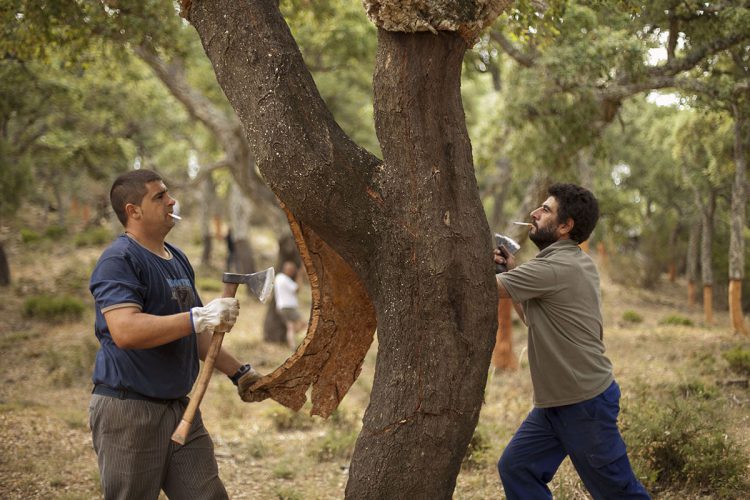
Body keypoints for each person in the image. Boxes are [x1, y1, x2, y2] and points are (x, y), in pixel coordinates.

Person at [88, 169, 260, 499]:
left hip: (181, 409)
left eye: (168, 194)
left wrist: (240, 373)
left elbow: (193, 334)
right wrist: (199, 316)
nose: (172, 201)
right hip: (129, 411)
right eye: (160, 196)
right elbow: (125, 331)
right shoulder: (118, 260)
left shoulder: (177, 258)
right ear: (133, 211)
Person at [493, 183, 649, 500]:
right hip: (557, 403)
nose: (535, 213)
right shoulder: (573, 262)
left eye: (546, 209)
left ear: (566, 226)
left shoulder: (555, 266)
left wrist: (482, 263)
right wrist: (511, 269)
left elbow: (486, 287)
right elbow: (533, 315)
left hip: (583, 403)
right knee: (516, 467)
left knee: (619, 492)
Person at [274, 261, 306, 348]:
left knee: (290, 327)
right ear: (287, 269)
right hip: (289, 306)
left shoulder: (278, 278)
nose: (292, 272)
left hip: (281, 306)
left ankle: (292, 345)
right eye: (291, 270)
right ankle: (291, 339)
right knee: (304, 324)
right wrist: (300, 275)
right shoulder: (284, 278)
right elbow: (297, 289)